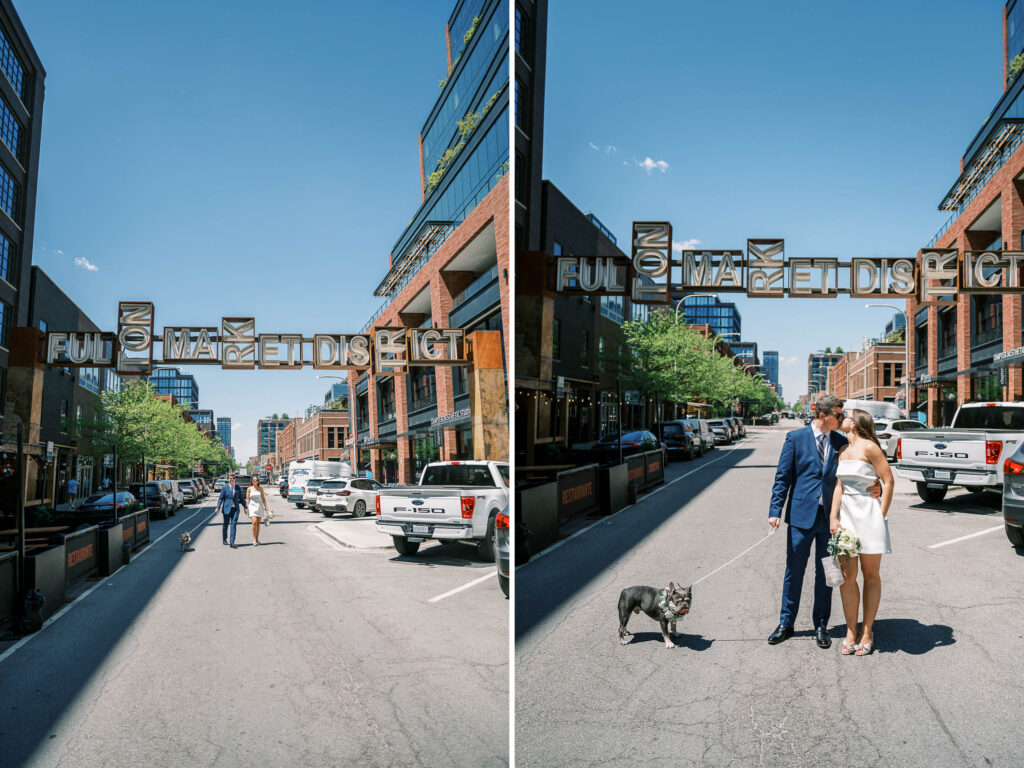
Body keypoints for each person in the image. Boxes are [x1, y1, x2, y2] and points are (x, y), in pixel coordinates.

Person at [768, 394, 880, 648]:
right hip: (800, 517)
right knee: (793, 572)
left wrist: (877, 487)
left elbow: (866, 465)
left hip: (832, 520)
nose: (841, 419)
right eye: (838, 415)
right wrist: (775, 510)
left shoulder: (842, 441)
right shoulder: (795, 439)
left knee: (828, 572)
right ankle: (786, 623)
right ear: (822, 416)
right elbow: (782, 477)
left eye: (842, 415)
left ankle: (821, 624)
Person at [829, 410, 894, 656]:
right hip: (846, 518)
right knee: (846, 578)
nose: (842, 417)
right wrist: (833, 517)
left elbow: (888, 481)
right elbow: (839, 486)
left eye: (846, 415)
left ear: (854, 423)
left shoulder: (870, 448)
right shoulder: (843, 451)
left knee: (871, 576)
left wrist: (882, 514)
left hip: (869, 515)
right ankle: (850, 631)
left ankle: (867, 632)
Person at [215, 473, 247, 549]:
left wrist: (245, 507)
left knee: (233, 525)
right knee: (225, 525)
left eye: (233, 478)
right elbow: (221, 498)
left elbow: (242, 499)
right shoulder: (224, 488)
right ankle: (224, 538)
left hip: (235, 509)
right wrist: (218, 507)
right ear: (228, 479)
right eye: (230, 478)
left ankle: (232, 542)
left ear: (235, 479)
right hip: (226, 509)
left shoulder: (238, 488)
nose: (231, 480)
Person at [246, 476, 270, 546]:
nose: (255, 481)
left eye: (256, 480)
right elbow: (247, 499)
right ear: (252, 481)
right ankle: (254, 539)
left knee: (258, 523)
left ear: (258, 481)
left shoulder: (261, 488)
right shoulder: (249, 489)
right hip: (252, 506)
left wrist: (266, 507)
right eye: (253, 480)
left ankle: (257, 539)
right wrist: (246, 507)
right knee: (254, 522)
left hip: (259, 506)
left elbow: (263, 499)